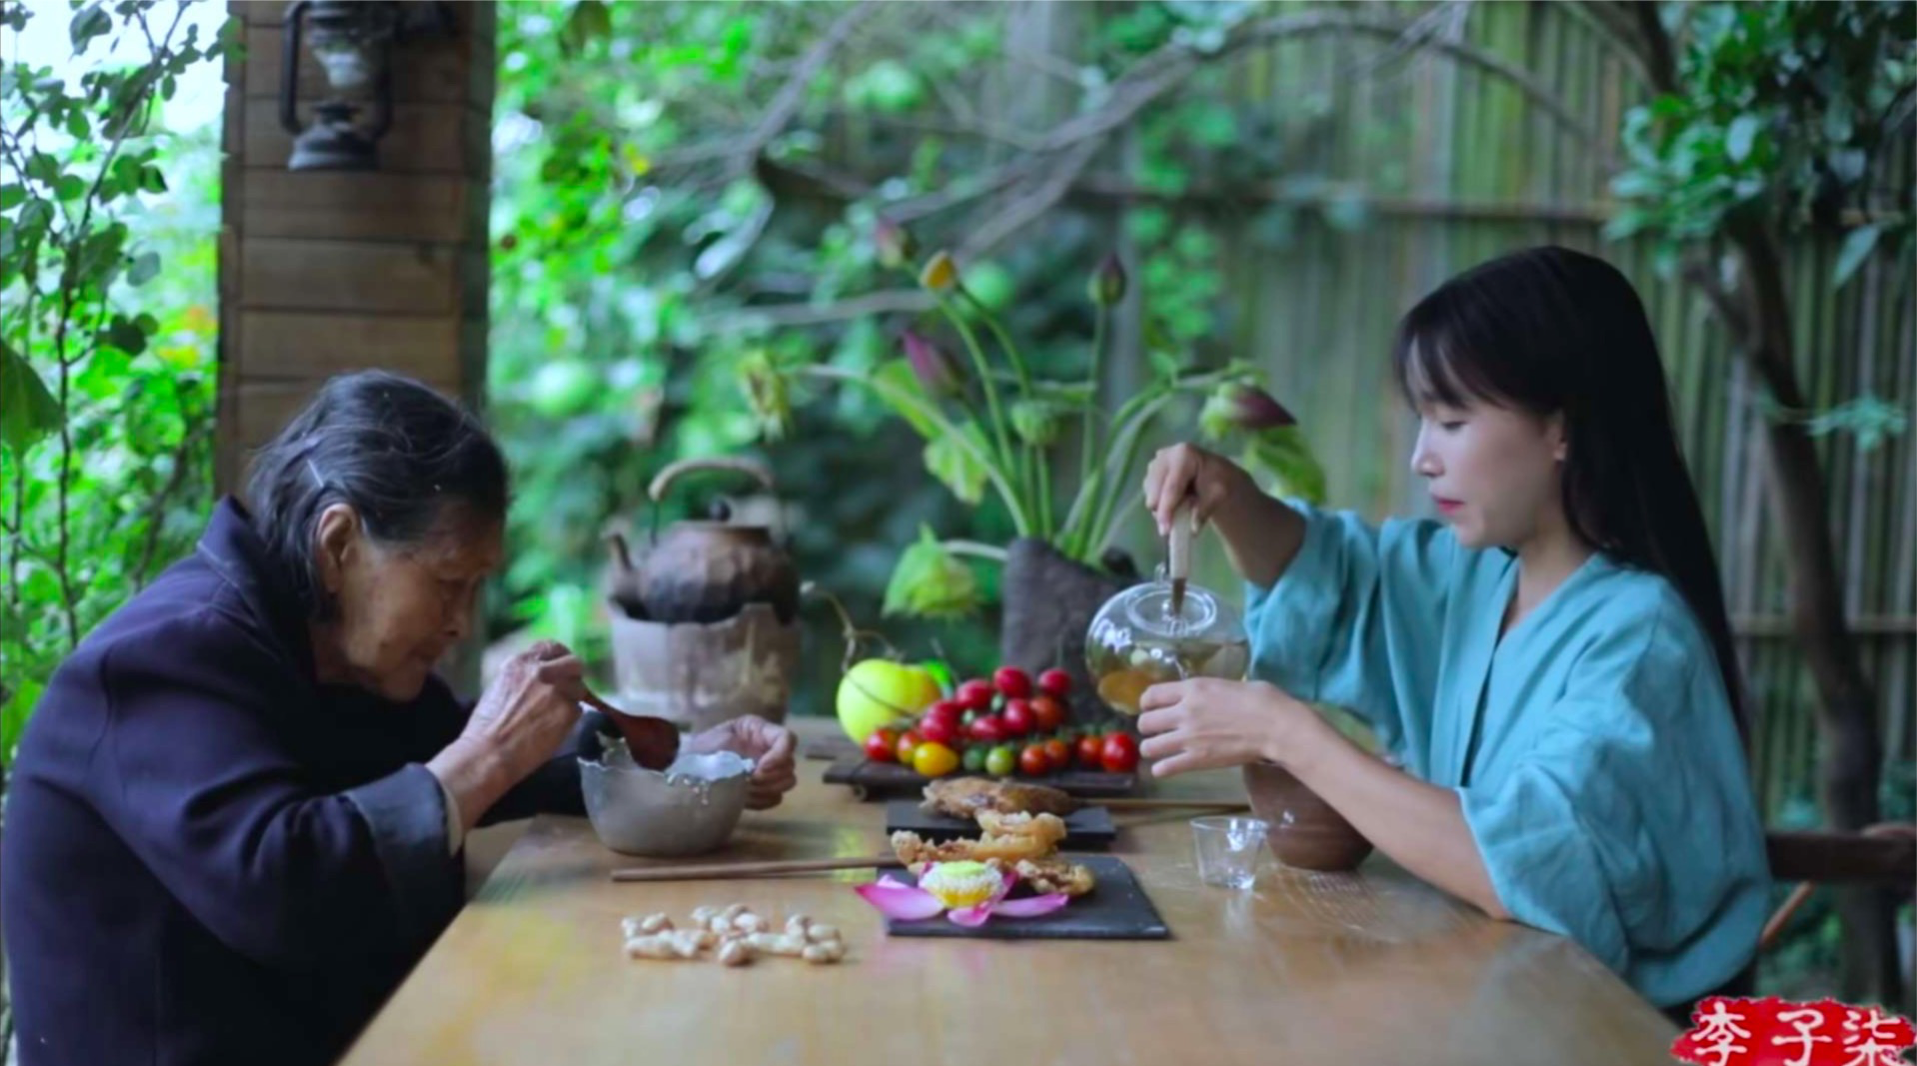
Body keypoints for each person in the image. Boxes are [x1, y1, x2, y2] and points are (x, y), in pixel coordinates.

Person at [3, 371, 799, 1066]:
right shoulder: (168, 658)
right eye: (448, 582)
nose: (460, 621)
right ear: (340, 542)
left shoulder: (327, 651)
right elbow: (284, 888)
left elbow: (444, 765)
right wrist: (488, 751)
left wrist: (689, 761)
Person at [1136, 246, 1770, 1011]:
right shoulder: (1473, 578)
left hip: (1610, 1031)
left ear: (1559, 429)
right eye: (1422, 421)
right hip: (1489, 993)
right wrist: (1230, 495)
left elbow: (1522, 871)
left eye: (1451, 420)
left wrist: (1285, 733)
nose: (1421, 458)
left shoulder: (1638, 637)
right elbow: (1337, 575)